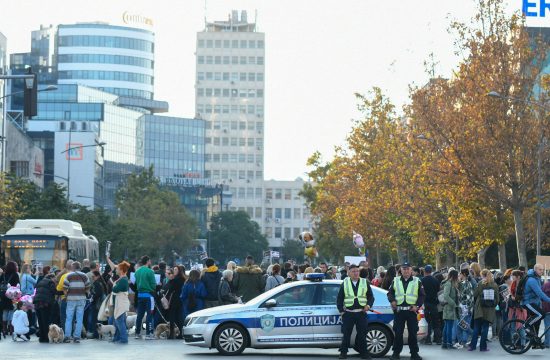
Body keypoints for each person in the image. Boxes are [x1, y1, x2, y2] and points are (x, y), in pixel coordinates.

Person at [387, 262, 424, 360]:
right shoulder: (395, 280)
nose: (406, 271)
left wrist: (417, 306)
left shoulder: (417, 281)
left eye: (408, 269)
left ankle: (414, 353)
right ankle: (396, 353)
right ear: (401, 270)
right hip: (399, 312)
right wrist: (392, 300)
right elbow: (390, 293)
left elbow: (422, 295)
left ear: (411, 270)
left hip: (412, 311)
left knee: (412, 333)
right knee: (398, 333)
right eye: (404, 269)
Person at [337, 265, 374, 359]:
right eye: (353, 271)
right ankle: (343, 353)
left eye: (357, 271)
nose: (356, 273)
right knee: (346, 334)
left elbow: (371, 297)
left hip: (361, 312)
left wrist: (368, 305)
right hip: (348, 313)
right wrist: (341, 311)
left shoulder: (365, 282)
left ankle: (364, 353)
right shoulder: (345, 282)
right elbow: (340, 298)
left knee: (362, 334)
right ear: (349, 273)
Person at [468, 269, 499, 352]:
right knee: (485, 328)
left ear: (482, 275)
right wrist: (493, 305)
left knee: (476, 328)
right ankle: (483, 347)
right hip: (489, 309)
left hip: (480, 309)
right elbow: (497, 299)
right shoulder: (494, 285)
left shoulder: (480, 283)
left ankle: (472, 346)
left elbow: (475, 294)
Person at [520, 263, 550, 348]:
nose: (542, 271)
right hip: (527, 302)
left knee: (537, 322)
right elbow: (540, 293)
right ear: (535, 269)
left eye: (542, 270)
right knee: (541, 314)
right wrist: (548, 300)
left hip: (534, 303)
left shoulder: (537, 278)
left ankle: (535, 342)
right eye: (540, 270)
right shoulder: (532, 280)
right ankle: (526, 326)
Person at [63, 261, 91, 343]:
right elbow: (88, 287)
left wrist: (66, 296)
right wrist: (83, 292)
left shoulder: (69, 276)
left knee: (69, 318)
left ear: (73, 267)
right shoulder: (85, 276)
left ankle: (67, 336)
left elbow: (64, 288)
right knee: (79, 318)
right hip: (81, 299)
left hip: (71, 299)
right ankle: (77, 337)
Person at [134, 255, 157, 340]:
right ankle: (148, 333)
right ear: (147, 261)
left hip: (140, 295)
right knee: (149, 315)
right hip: (149, 295)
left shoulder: (137, 271)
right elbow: (153, 285)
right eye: (149, 260)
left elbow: (136, 283)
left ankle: (137, 333)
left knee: (139, 315)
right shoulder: (150, 271)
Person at [420, 264, 441, 345]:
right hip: (433, 303)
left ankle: (427, 339)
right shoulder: (435, 280)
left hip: (425, 303)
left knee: (427, 321)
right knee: (436, 322)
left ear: (425, 271)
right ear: (431, 271)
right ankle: (438, 339)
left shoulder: (422, 280)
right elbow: (438, 290)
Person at [34, 273, 57, 343]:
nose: (55, 280)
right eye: (55, 278)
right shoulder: (50, 282)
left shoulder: (40, 282)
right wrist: (64, 292)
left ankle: (42, 338)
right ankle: (47, 338)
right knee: (46, 321)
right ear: (51, 278)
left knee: (40, 321)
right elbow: (54, 291)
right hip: (45, 304)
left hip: (37, 303)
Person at [111, 261, 130, 344]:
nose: (116, 270)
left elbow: (115, 289)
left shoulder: (123, 280)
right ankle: (117, 338)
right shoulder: (123, 279)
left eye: (117, 269)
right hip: (120, 302)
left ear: (121, 270)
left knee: (119, 321)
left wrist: (114, 285)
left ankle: (123, 339)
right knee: (118, 321)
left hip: (121, 303)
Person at [165, 265, 186, 339]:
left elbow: (170, 288)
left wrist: (170, 279)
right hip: (179, 299)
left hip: (174, 299)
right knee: (178, 316)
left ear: (179, 271)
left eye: (176, 269)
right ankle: (180, 332)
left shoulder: (176, 279)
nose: (174, 271)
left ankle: (172, 333)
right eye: (174, 269)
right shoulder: (182, 278)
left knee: (172, 316)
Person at [1, 261, 20, 338]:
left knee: (5, 311)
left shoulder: (3, 275)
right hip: (12, 295)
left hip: (4, 295)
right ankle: (11, 329)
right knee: (12, 311)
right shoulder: (15, 274)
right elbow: (18, 285)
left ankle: (4, 329)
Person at [441, 269, 459, 349]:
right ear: (454, 276)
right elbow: (446, 296)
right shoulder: (448, 284)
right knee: (449, 326)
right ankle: (449, 343)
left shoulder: (450, 283)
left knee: (447, 326)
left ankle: (445, 343)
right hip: (449, 307)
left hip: (448, 307)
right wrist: (454, 304)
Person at [456, 268, 474, 347]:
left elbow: (469, 297)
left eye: (460, 274)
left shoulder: (466, 284)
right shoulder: (463, 283)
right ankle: (463, 341)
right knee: (463, 325)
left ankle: (472, 336)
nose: (459, 275)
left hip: (464, 307)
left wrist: (469, 308)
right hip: (463, 307)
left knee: (463, 325)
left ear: (463, 274)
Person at [88, 270, 107, 339]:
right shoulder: (101, 282)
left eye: (93, 276)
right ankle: (99, 334)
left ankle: (96, 334)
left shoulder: (97, 283)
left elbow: (97, 293)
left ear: (98, 276)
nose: (92, 277)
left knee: (95, 320)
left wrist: (92, 297)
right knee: (98, 320)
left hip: (96, 304)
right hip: (100, 304)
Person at [542, 277, 550, 349]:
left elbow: (541, 296)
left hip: (546, 308)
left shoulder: (545, 285)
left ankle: (547, 343)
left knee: (547, 326)